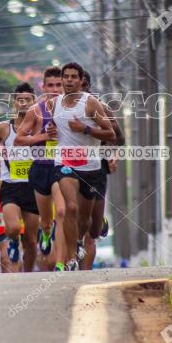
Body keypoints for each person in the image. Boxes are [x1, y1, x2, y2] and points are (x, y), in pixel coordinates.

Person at [47, 63, 115, 271]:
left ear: (80, 80)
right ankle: (70, 259)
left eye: (73, 77)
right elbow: (51, 129)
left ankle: (81, 238)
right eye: (65, 77)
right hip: (65, 163)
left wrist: (84, 129)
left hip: (91, 166)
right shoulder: (53, 104)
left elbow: (110, 133)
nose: (68, 80)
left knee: (87, 224)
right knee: (71, 207)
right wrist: (49, 131)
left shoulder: (91, 104)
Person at [0, 82, 41, 272]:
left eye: (28, 100)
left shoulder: (41, 128)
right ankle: (12, 241)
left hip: (34, 187)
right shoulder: (3, 129)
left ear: (35, 102)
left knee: (32, 240)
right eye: (20, 100)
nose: (24, 103)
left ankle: (27, 276)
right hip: (10, 185)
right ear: (14, 103)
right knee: (13, 228)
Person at [13, 67, 63, 270]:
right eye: (50, 85)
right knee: (46, 220)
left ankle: (61, 262)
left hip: (62, 167)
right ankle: (46, 231)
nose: (55, 89)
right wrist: (43, 136)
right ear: (43, 87)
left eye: (58, 85)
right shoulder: (36, 111)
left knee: (62, 211)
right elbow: (18, 140)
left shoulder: (73, 109)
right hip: (41, 167)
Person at [79, 71, 124, 270]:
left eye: (82, 85)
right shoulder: (59, 109)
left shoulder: (101, 108)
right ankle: (71, 268)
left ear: (87, 86)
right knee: (70, 214)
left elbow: (119, 139)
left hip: (97, 168)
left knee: (92, 231)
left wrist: (112, 154)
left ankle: (84, 278)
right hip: (69, 168)